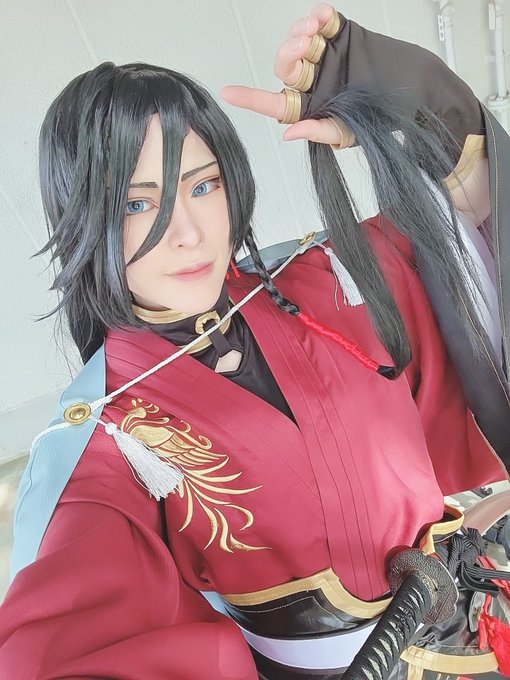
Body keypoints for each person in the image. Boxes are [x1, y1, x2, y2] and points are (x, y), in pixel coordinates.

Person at [1, 4, 510, 678]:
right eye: (136, 203)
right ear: (82, 216)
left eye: (202, 185)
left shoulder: (326, 281)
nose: (188, 233)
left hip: (472, 626)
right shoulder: (106, 436)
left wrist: (424, 100)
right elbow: (64, 640)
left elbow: (472, 228)